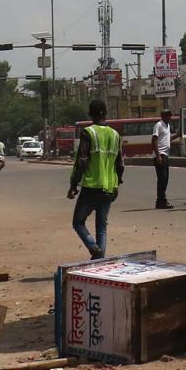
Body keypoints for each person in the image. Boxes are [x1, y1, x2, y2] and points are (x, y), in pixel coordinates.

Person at [68, 100, 123, 258]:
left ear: (91, 115)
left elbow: (82, 161)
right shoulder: (115, 135)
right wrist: (117, 184)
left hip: (91, 186)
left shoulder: (88, 133)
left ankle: (93, 247)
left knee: (78, 222)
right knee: (102, 227)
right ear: (105, 114)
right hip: (109, 187)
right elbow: (120, 164)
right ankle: (99, 259)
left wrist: (74, 184)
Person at [151, 108, 174, 210]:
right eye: (167, 115)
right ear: (163, 116)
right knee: (162, 179)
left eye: (170, 115)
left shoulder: (168, 126)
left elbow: (167, 139)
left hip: (166, 155)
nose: (169, 117)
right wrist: (158, 155)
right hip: (160, 155)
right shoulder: (159, 125)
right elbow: (154, 140)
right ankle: (161, 200)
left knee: (165, 179)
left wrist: (177, 135)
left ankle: (160, 201)